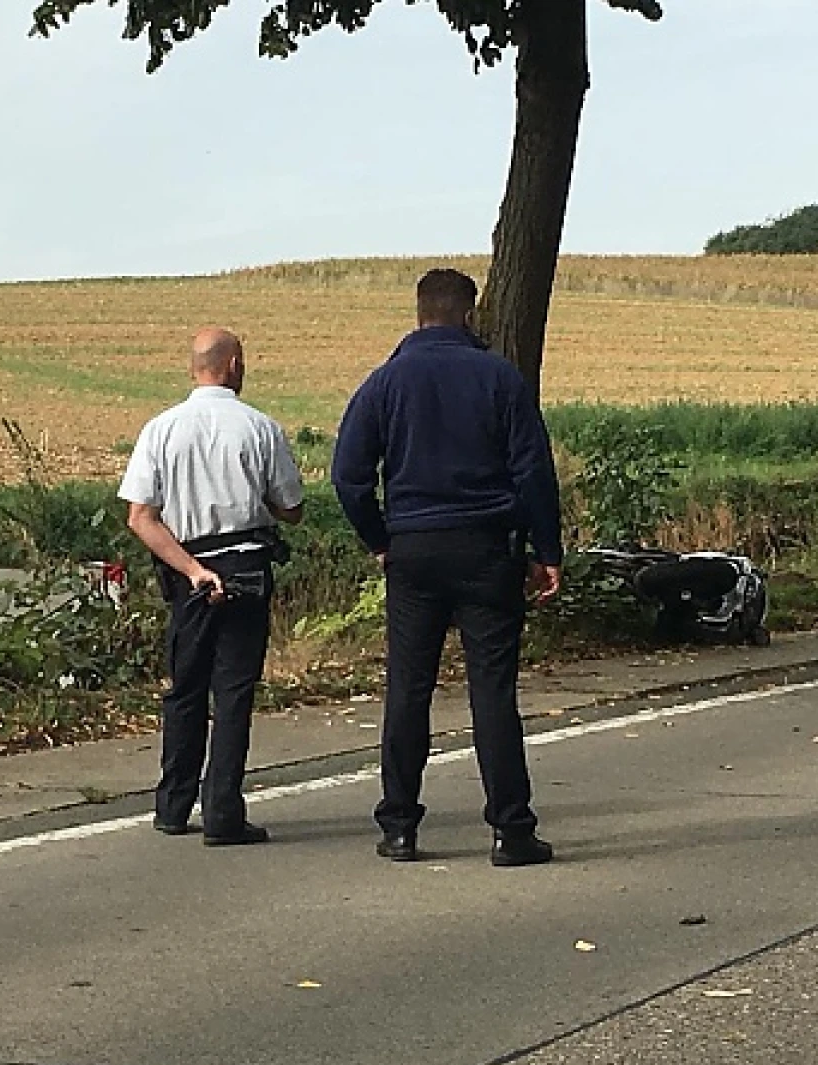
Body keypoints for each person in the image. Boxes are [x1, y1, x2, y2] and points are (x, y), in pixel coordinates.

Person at [331, 269, 564, 867]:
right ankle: (511, 832)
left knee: (408, 690)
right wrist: (546, 551)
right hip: (487, 548)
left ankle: (400, 827)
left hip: (413, 550)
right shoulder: (500, 378)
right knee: (493, 693)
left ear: (418, 313)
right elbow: (533, 470)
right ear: (469, 314)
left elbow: (348, 476)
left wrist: (379, 539)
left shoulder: (384, 384)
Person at [119, 327, 306, 846]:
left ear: (193, 368)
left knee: (185, 689)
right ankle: (223, 811)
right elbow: (291, 508)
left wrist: (193, 570)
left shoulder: (160, 429)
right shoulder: (260, 428)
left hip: (187, 571)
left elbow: (140, 516)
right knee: (233, 692)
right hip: (246, 566)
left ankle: (173, 806)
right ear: (234, 366)